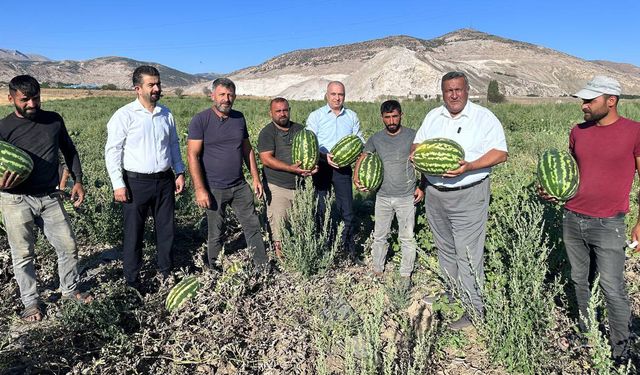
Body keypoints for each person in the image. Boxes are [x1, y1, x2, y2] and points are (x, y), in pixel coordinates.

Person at [539, 75, 637, 363]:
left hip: (609, 223)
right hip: (572, 217)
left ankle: (621, 353)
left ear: (611, 101)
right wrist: (550, 189)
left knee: (612, 288)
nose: (583, 105)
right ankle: (587, 335)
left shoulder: (635, 132)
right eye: (582, 100)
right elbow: (569, 170)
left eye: (589, 100)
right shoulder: (578, 131)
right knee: (580, 280)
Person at [412, 71, 508, 330]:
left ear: (467, 90)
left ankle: (475, 310)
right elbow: (417, 145)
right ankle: (452, 292)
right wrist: (417, 156)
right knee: (445, 249)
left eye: (458, 89)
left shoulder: (483, 117)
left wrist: (470, 166)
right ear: (442, 93)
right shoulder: (433, 116)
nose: (453, 95)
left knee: (467, 253)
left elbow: (501, 153)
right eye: (448, 90)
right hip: (435, 193)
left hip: (469, 194)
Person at [0, 75, 92, 322]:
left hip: (50, 195)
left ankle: (70, 290)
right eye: (25, 99)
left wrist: (78, 181)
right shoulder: (3, 128)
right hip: (15, 199)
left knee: (69, 246)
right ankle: (31, 303)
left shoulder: (53, 120)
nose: (32, 104)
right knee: (23, 254)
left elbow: (69, 151)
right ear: (11, 99)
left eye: (36, 98)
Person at [104, 65, 186, 289]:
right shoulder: (124, 115)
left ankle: (166, 272)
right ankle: (132, 280)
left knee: (166, 229)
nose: (157, 89)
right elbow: (113, 151)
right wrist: (118, 184)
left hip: (164, 180)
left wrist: (179, 172)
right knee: (134, 233)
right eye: (152, 85)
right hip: (135, 183)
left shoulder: (166, 114)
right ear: (137, 88)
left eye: (158, 84)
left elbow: (173, 145)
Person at [187, 78, 268, 271]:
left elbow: (247, 150)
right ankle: (215, 270)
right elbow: (192, 155)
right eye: (222, 94)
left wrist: (255, 178)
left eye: (230, 95)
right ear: (212, 95)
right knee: (215, 232)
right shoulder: (201, 120)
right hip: (214, 187)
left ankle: (261, 266)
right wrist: (200, 189)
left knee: (252, 225)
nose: (226, 99)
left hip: (239, 185)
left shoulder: (239, 118)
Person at [353, 100, 424, 286]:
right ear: (382, 118)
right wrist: (356, 176)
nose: (391, 120)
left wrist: (421, 186)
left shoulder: (412, 136)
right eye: (387, 117)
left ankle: (405, 275)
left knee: (407, 237)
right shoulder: (376, 138)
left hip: (406, 196)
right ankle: (378, 269)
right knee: (380, 235)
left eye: (395, 116)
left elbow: (423, 160)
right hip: (383, 196)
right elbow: (364, 156)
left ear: (401, 115)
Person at [306, 81, 363, 261]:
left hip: (343, 168)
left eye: (341, 94)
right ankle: (325, 248)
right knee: (322, 209)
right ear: (327, 95)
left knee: (347, 210)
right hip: (321, 167)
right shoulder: (316, 116)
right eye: (334, 94)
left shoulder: (352, 116)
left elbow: (359, 140)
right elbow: (309, 142)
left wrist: (353, 155)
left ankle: (349, 251)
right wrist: (323, 156)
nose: (337, 98)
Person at [257, 97, 316, 258]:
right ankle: (283, 261)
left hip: (301, 186)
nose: (282, 114)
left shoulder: (301, 129)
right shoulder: (267, 133)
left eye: (285, 110)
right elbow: (266, 159)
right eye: (278, 111)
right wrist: (290, 168)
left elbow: (311, 153)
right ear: (271, 113)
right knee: (280, 229)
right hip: (278, 187)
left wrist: (313, 166)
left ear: (289, 110)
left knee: (301, 225)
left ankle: (300, 258)